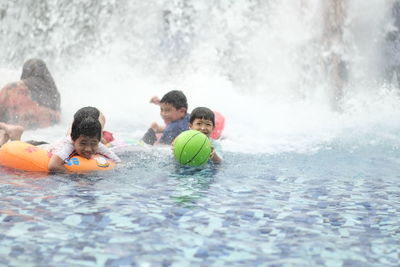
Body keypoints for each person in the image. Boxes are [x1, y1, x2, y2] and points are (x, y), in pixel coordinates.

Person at [48, 107, 121, 173]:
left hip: (92, 134)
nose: (88, 149)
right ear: (74, 140)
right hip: (64, 140)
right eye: (83, 143)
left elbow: (118, 161)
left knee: (104, 138)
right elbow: (53, 165)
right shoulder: (69, 145)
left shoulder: (97, 143)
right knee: (70, 134)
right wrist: (73, 174)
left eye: (93, 143)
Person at [0, 58, 61, 129]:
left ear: (25, 72)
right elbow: (57, 119)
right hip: (38, 132)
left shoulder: (10, 88)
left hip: (10, 128)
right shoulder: (54, 95)